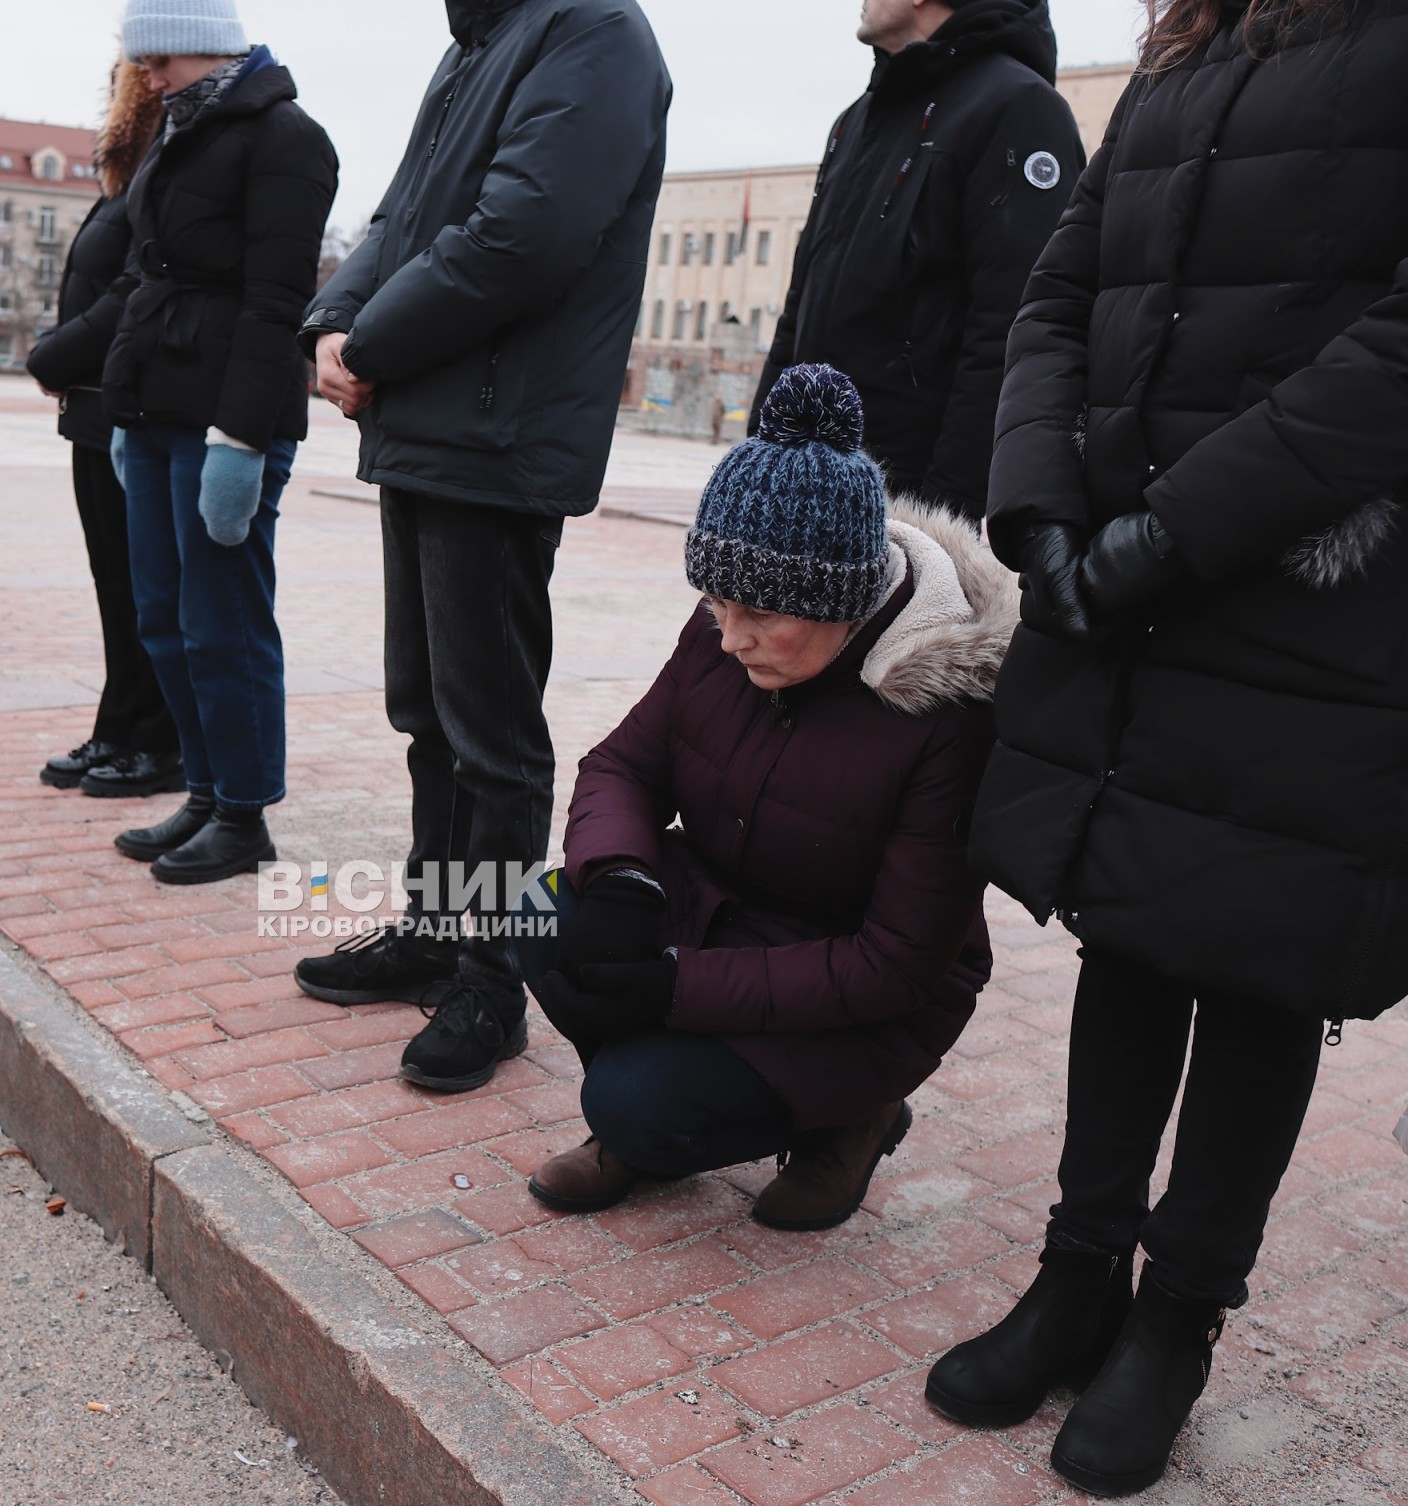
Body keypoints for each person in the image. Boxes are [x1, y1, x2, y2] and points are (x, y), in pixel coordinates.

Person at [926, 0, 1408, 1495]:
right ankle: (1078, 1275)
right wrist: (1047, 510)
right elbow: (1061, 293)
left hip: (1301, 598)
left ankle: (1178, 1316)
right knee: (1129, 923)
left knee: (1257, 947)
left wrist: (1172, 534)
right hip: (1120, 577)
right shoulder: (1187, 55)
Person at [515, 366, 1011, 1224]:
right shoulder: (727, 627)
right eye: (715, 602)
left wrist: (671, 987)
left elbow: (893, 964)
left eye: (759, 615)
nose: (729, 634)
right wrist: (624, 878)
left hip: (862, 994)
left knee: (639, 1103)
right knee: (536, 911)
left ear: (843, 602)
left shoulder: (945, 718)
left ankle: (849, 1121)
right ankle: (654, 1107)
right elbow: (621, 766)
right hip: (719, 911)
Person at [292, 0, 672, 1094]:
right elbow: (397, 217)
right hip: (425, 424)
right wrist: (330, 325)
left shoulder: (592, 32)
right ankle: (433, 930)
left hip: (497, 430)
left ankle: (491, 981)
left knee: (490, 732)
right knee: (427, 713)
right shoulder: (477, 45)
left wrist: (369, 342)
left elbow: (525, 234)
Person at [101, 0, 338, 885]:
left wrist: (240, 436)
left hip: (227, 420)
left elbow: (277, 301)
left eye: (158, 60)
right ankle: (204, 791)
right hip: (160, 411)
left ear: (205, 42)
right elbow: (146, 280)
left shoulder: (285, 137)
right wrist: (125, 410)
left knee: (221, 624)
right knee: (163, 619)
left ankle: (244, 814)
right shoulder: (181, 132)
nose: (148, 78)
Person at [752, 0, 1084, 520]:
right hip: (805, 489)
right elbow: (800, 308)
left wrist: (939, 520)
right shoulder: (854, 122)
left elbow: (1011, 332)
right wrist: (759, 457)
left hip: (905, 501)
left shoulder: (1018, 107)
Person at [30, 58, 182, 800]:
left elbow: (134, 288)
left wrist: (55, 351)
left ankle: (154, 739)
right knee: (114, 584)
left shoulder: (164, 169)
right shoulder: (127, 179)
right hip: (95, 410)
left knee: (139, 586)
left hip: (130, 404)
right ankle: (120, 723)